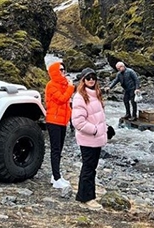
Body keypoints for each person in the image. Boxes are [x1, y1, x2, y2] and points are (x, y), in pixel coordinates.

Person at [71, 68, 107, 210]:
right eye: (88, 78)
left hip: (96, 139)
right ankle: (87, 198)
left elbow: (98, 116)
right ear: (83, 80)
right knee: (88, 168)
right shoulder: (80, 97)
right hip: (88, 139)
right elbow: (78, 122)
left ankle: (84, 195)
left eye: (93, 77)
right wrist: (95, 130)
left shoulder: (96, 94)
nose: (91, 80)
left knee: (91, 168)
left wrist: (106, 128)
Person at [44, 60, 74, 189]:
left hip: (62, 121)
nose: (64, 72)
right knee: (55, 150)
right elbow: (62, 100)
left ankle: (55, 175)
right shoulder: (51, 85)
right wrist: (71, 88)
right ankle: (56, 178)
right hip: (54, 121)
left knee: (60, 149)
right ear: (55, 72)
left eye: (64, 69)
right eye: (61, 70)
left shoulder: (64, 84)